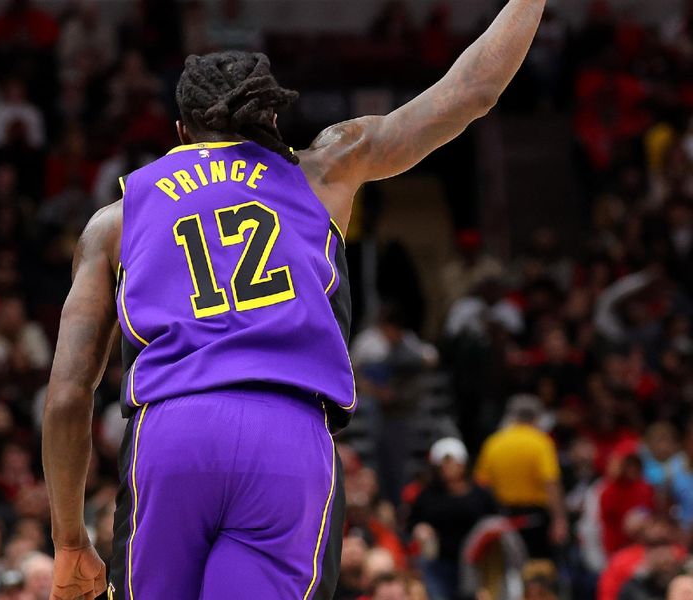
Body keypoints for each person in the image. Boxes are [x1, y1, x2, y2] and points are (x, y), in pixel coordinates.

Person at [41, 0, 549, 596]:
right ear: (272, 118)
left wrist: (70, 540)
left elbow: (68, 395)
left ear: (181, 132)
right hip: (287, 436)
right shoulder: (324, 169)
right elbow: (474, 90)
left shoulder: (116, 220)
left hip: (172, 429)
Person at [474, 395, 568, 558]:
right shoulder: (541, 443)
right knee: (538, 568)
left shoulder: (493, 443)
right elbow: (550, 482)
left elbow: (482, 483)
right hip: (536, 520)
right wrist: (559, 519)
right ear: (536, 417)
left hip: (504, 518)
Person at [408, 437, 498, 600]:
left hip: (476, 564)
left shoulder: (481, 495)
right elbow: (412, 523)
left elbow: (494, 523)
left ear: (463, 463)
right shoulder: (428, 496)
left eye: (453, 462)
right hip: (440, 563)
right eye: (443, 464)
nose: (448, 468)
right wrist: (420, 529)